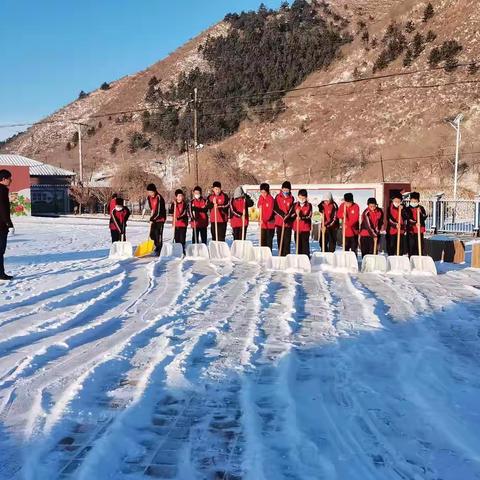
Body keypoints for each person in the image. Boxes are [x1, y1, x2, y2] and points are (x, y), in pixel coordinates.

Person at [274, 181, 295, 256]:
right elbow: (275, 208)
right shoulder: (278, 197)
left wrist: (287, 217)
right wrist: (283, 215)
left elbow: (292, 210)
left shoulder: (292, 198)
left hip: (287, 224)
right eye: (284, 189)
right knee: (280, 241)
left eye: (287, 190)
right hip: (279, 223)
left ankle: (286, 256)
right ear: (281, 189)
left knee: (287, 242)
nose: (285, 191)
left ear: (290, 190)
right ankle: (281, 255)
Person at [0, 169, 14, 281]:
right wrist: (9, 224)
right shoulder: (2, 190)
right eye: (9, 178)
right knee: (0, 250)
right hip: (1, 226)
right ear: (3, 179)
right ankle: (1, 274)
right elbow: (3, 209)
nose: (11, 180)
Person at [146, 183, 166, 256]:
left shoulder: (159, 197)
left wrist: (152, 218)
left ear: (154, 191)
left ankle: (159, 249)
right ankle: (157, 245)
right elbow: (152, 208)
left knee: (158, 235)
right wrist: (152, 215)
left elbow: (158, 211)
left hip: (160, 219)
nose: (150, 193)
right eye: (148, 192)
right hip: (154, 218)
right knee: (152, 234)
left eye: (151, 192)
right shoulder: (149, 197)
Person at [292, 189, 313, 257]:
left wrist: (301, 217)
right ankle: (299, 258)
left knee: (305, 245)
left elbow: (309, 216)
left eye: (303, 198)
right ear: (298, 196)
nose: (301, 199)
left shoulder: (309, 205)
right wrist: (295, 215)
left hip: (305, 229)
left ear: (306, 197)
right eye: (300, 197)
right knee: (298, 245)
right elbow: (291, 215)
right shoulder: (295, 205)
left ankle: (306, 258)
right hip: (297, 228)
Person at [406, 192, 427, 256]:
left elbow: (424, 217)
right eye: (412, 201)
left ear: (418, 201)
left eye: (415, 201)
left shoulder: (421, 208)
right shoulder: (407, 209)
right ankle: (411, 260)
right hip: (411, 230)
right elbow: (408, 218)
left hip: (419, 231)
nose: (414, 202)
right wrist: (415, 223)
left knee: (419, 247)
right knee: (411, 247)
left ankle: (419, 260)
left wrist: (421, 213)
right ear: (410, 201)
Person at [257, 183, 275, 250]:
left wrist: (263, 220)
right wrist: (260, 220)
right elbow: (259, 206)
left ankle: (268, 257)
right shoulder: (261, 198)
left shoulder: (271, 199)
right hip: (263, 224)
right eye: (261, 192)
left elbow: (269, 213)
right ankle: (262, 257)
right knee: (262, 242)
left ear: (267, 191)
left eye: (264, 192)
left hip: (270, 225)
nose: (263, 194)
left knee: (268, 243)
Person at [169, 189, 188, 253]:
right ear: (176, 197)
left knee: (182, 238)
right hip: (176, 224)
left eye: (181, 196)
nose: (180, 197)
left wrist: (178, 218)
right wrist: (174, 205)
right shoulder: (173, 204)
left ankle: (182, 249)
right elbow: (171, 212)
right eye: (179, 196)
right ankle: (177, 250)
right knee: (176, 238)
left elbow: (184, 213)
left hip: (183, 224)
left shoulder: (185, 204)